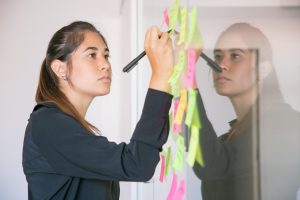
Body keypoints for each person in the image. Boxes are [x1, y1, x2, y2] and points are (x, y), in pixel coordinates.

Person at [22, 21, 174, 200]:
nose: (105, 65)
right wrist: (161, 75)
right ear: (60, 68)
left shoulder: (66, 127)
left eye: (106, 55)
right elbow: (137, 164)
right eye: (92, 55)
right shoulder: (47, 123)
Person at [193, 23, 300, 200]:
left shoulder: (287, 124)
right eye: (218, 56)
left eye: (235, 56)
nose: (221, 65)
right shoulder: (226, 141)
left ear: (263, 69)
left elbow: (211, 164)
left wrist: (185, 78)